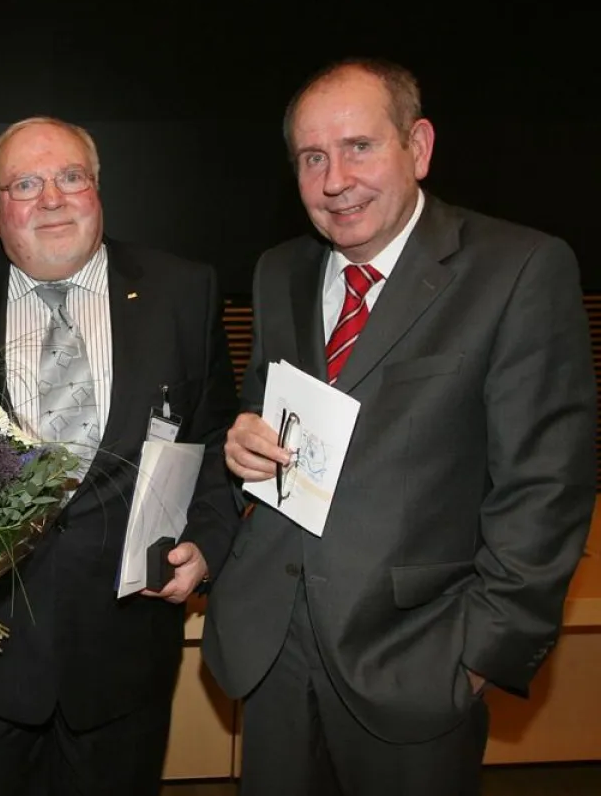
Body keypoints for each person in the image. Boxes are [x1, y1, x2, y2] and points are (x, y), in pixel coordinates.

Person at [205, 58, 597, 796]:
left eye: (359, 147)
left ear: (417, 147)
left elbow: (546, 485)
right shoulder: (278, 271)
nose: (334, 180)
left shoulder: (518, 269)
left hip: (418, 660)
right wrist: (242, 445)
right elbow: (266, 413)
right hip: (274, 655)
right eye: (312, 157)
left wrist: (479, 652)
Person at [0, 116, 240, 796]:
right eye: (25, 184)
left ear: (98, 192)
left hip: (125, 650)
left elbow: (213, 437)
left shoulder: (184, 289)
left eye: (70, 177)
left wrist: (207, 542)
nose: (51, 198)